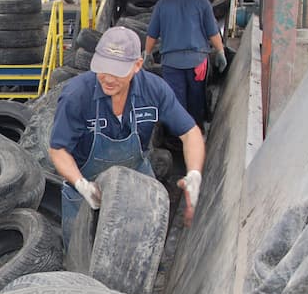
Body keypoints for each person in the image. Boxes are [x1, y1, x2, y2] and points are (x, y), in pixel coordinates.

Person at [48, 26, 206, 249]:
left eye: (117, 71)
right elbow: (58, 149)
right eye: (103, 68)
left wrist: (194, 174)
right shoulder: (77, 95)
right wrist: (82, 184)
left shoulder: (154, 90)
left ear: (137, 66)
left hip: (136, 176)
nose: (108, 78)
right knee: (80, 258)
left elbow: (190, 133)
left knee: (141, 249)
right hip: (85, 182)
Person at [143, 0, 228, 130]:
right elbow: (213, 32)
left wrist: (147, 53)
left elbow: (152, 34)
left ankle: (179, 138)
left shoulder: (163, 4)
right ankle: (197, 131)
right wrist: (220, 52)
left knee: (176, 101)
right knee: (196, 98)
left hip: (171, 63)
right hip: (198, 62)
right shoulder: (201, 2)